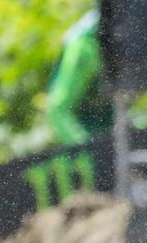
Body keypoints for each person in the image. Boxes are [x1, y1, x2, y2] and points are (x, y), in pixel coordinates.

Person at [45, 8, 109, 146]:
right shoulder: (84, 47)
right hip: (84, 138)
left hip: (103, 127)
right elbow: (58, 109)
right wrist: (86, 147)